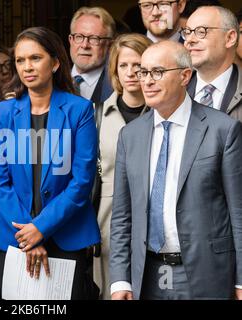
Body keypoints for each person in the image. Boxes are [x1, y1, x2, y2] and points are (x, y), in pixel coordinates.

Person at [110, 40, 242, 300]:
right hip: (147, 273)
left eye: (157, 72)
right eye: (143, 72)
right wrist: (120, 281)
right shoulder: (130, 135)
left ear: (185, 76)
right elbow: (122, 216)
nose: (147, 80)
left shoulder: (222, 130)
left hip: (206, 272)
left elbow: (239, 213)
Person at [0, 26, 100, 300]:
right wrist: (28, 233)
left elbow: (82, 182)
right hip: (13, 237)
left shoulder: (79, 110)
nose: (27, 67)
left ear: (56, 62)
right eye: (20, 60)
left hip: (66, 236)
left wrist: (42, 227)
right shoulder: (3, 112)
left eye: (35, 58)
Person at [92, 33, 152, 300]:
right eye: (123, 65)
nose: (131, 73)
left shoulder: (163, 115)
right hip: (106, 226)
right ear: (114, 69)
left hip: (154, 225)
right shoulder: (95, 115)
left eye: (138, 65)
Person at [183, 6, 242, 122]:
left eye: (201, 32)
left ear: (230, 38)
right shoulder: (172, 88)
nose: (190, 40)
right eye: (187, 32)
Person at [69, 7, 115, 104]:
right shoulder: (52, 82)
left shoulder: (117, 87)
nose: (85, 45)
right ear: (71, 40)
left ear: (110, 45)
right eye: (79, 37)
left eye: (94, 39)